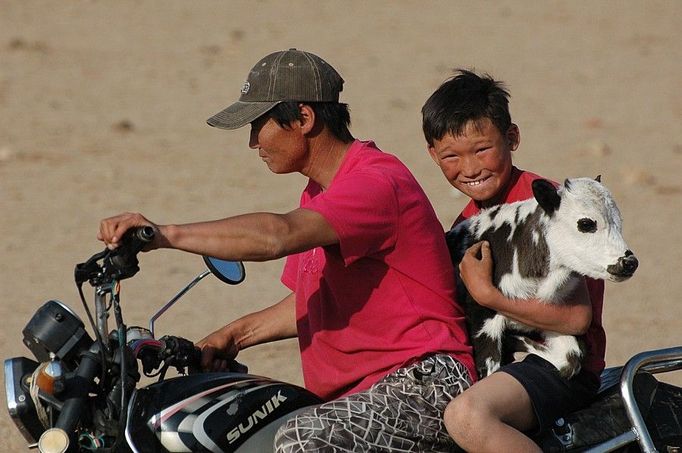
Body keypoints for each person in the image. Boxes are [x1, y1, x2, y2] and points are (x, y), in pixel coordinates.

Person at [98, 49, 475, 452]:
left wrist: (162, 234)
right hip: (359, 397)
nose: (251, 142)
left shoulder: (376, 184)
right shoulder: (318, 193)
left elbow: (277, 235)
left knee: (299, 438)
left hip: (425, 383)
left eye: (258, 125)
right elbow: (308, 301)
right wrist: (233, 335)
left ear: (304, 118)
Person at [421, 69, 606, 452]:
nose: (470, 168)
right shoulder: (468, 223)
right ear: (432, 155)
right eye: (452, 156)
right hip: (501, 357)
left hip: (559, 362)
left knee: (467, 416)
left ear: (512, 137)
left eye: (482, 149)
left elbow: (575, 319)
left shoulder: (551, 209)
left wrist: (489, 296)